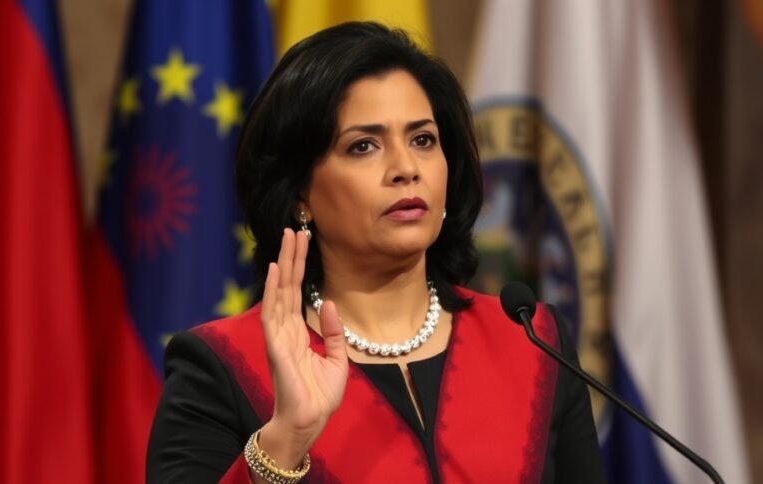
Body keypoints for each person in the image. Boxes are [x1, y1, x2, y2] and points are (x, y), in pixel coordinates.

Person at [146, 21, 605, 483]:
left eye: (423, 139)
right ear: (300, 194)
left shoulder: (532, 343)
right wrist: (285, 439)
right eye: (363, 146)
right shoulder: (224, 366)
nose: (406, 168)